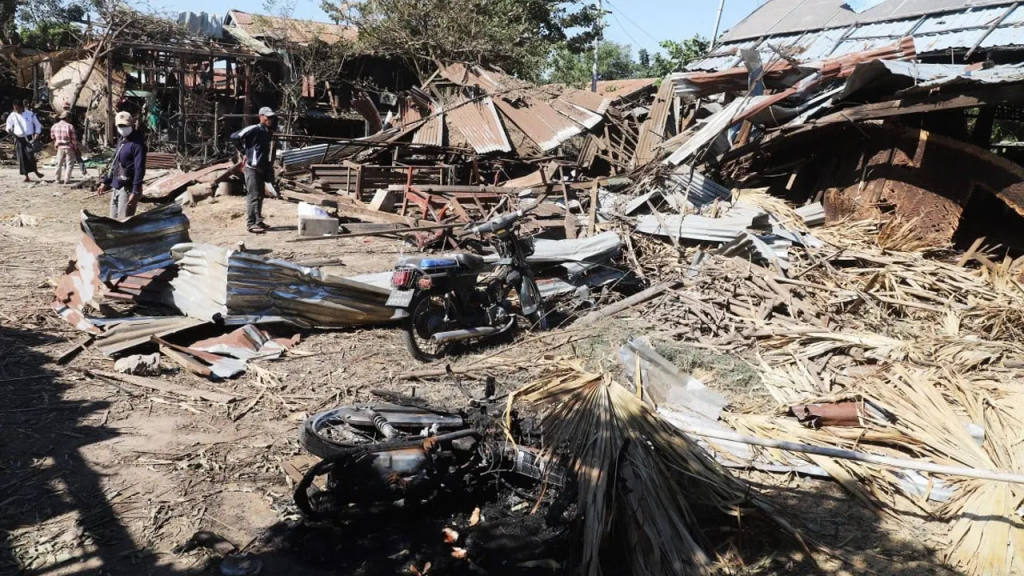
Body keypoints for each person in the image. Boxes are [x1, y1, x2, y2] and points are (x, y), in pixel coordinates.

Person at [230, 107, 277, 234]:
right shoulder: (254, 129)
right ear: (260, 117)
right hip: (252, 168)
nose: (270, 119)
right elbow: (234, 137)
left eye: (271, 117)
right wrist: (244, 152)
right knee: (253, 196)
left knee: (260, 195)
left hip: (262, 168)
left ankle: (258, 220)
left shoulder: (268, 131)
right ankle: (251, 223)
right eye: (267, 117)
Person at [98, 111, 147, 220]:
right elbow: (115, 163)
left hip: (127, 188)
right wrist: (106, 181)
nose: (122, 128)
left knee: (124, 221)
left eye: (125, 125)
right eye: (120, 126)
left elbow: (139, 169)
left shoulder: (137, 145)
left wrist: (135, 191)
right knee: (113, 220)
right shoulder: (121, 141)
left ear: (131, 125)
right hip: (116, 186)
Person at [4, 101, 44, 182]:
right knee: (21, 157)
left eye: (18, 109)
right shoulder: (12, 115)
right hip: (18, 138)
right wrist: (9, 129)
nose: (16, 110)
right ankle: (26, 176)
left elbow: (38, 125)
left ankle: (36, 171)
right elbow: (8, 125)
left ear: (22, 107)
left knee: (30, 156)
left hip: (28, 138)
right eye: (15, 109)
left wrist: (37, 133)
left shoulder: (30, 114)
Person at [50, 111, 79, 184]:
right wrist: (75, 147)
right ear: (68, 118)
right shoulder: (70, 126)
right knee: (69, 163)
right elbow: (73, 138)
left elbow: (52, 137)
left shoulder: (54, 126)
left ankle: (57, 179)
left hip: (59, 147)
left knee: (58, 164)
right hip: (69, 147)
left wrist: (57, 141)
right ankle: (67, 179)